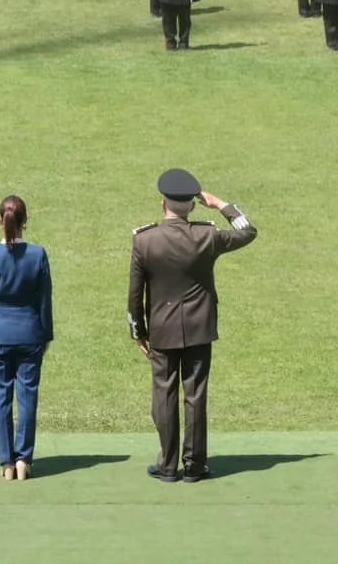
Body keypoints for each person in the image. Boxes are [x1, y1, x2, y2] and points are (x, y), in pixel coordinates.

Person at [128, 169, 256, 483]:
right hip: (200, 328)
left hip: (161, 329)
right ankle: (195, 466)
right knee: (195, 396)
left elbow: (135, 293)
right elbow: (247, 231)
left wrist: (138, 331)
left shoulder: (144, 240)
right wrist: (222, 205)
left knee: (164, 395)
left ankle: (168, 465)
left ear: (163, 204)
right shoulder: (206, 236)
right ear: (194, 206)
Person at [0, 195, 53, 481]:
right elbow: (45, 299)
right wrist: (46, 334)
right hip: (29, 333)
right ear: (25, 221)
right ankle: (24, 459)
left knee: (1, 399)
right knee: (27, 396)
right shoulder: (37, 254)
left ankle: (6, 461)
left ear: (0, 220)